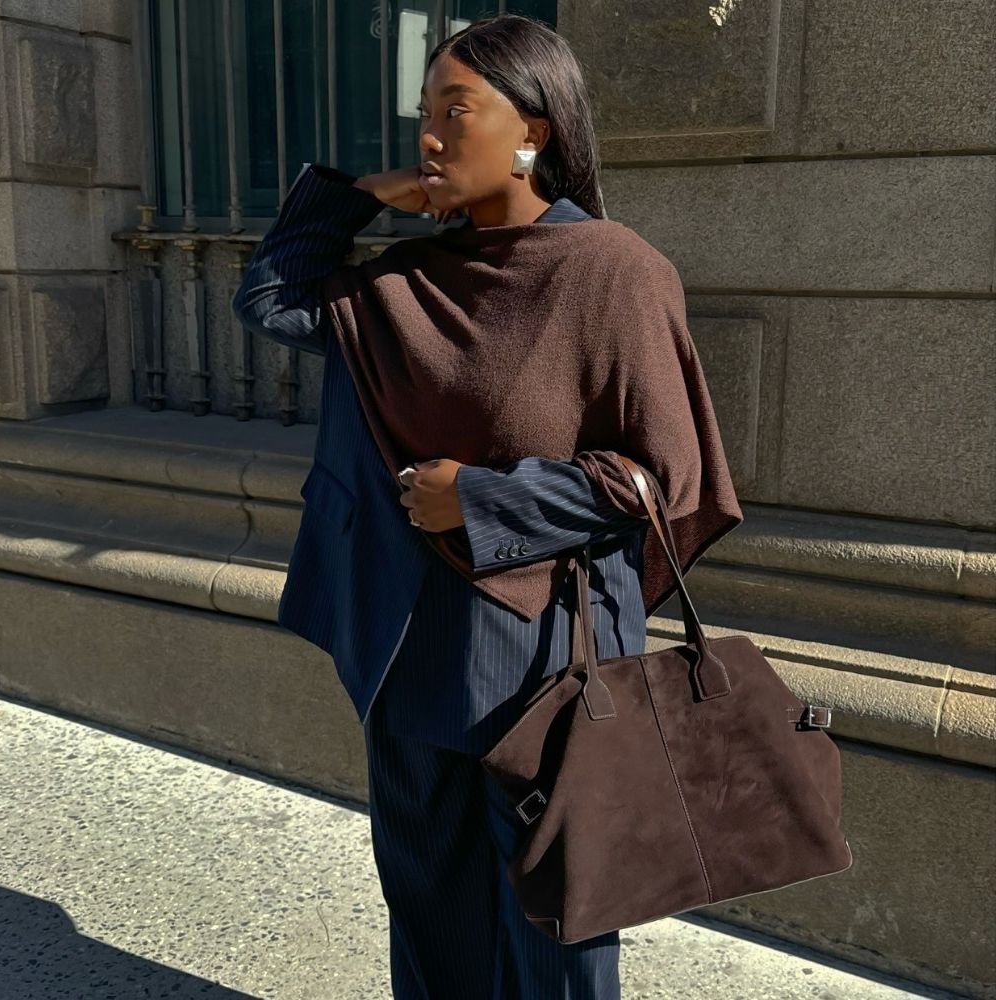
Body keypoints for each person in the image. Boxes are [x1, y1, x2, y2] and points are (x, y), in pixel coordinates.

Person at [234, 13, 732, 998]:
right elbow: (269, 295)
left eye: (455, 109)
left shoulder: (613, 271)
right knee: (428, 909)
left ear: (535, 128)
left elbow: (661, 477)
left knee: (559, 923)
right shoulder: (406, 283)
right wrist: (366, 194)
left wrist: (480, 497)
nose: (428, 134)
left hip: (549, 665)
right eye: (423, 112)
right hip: (412, 652)